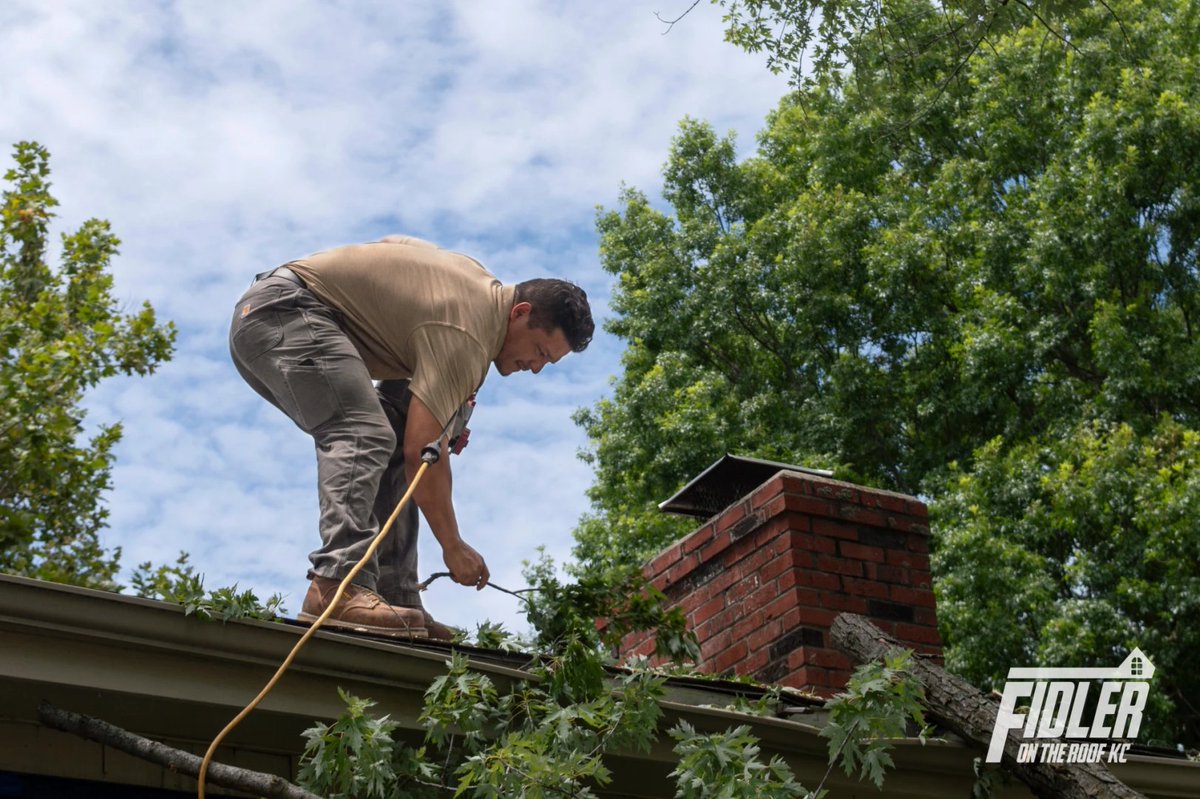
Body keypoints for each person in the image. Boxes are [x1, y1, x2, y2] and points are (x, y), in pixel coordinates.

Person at [228, 235, 594, 639]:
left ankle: (396, 596)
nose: (537, 368)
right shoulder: (468, 332)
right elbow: (424, 452)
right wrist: (453, 546)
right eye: (541, 352)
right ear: (521, 313)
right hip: (281, 313)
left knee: (397, 422)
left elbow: (397, 244)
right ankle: (335, 583)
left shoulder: (477, 287)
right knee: (363, 431)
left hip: (293, 309)